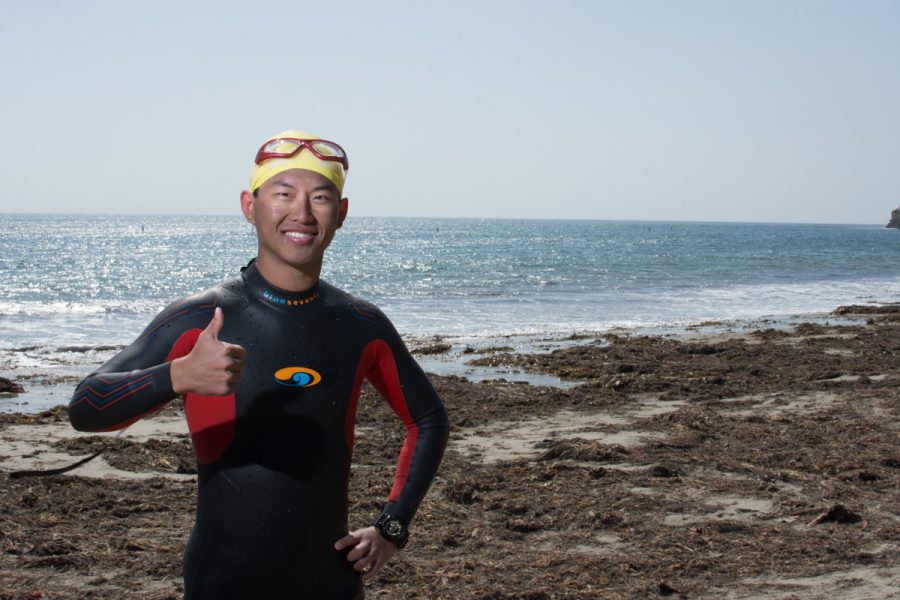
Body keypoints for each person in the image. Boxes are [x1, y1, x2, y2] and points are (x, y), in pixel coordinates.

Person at [68, 130, 450, 599]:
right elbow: (84, 408)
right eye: (283, 194)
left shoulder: (361, 324)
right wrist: (176, 376)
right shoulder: (200, 318)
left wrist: (391, 529)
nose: (302, 214)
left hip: (330, 585)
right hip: (222, 582)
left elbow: (428, 419)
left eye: (321, 197)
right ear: (250, 206)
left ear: (341, 214)